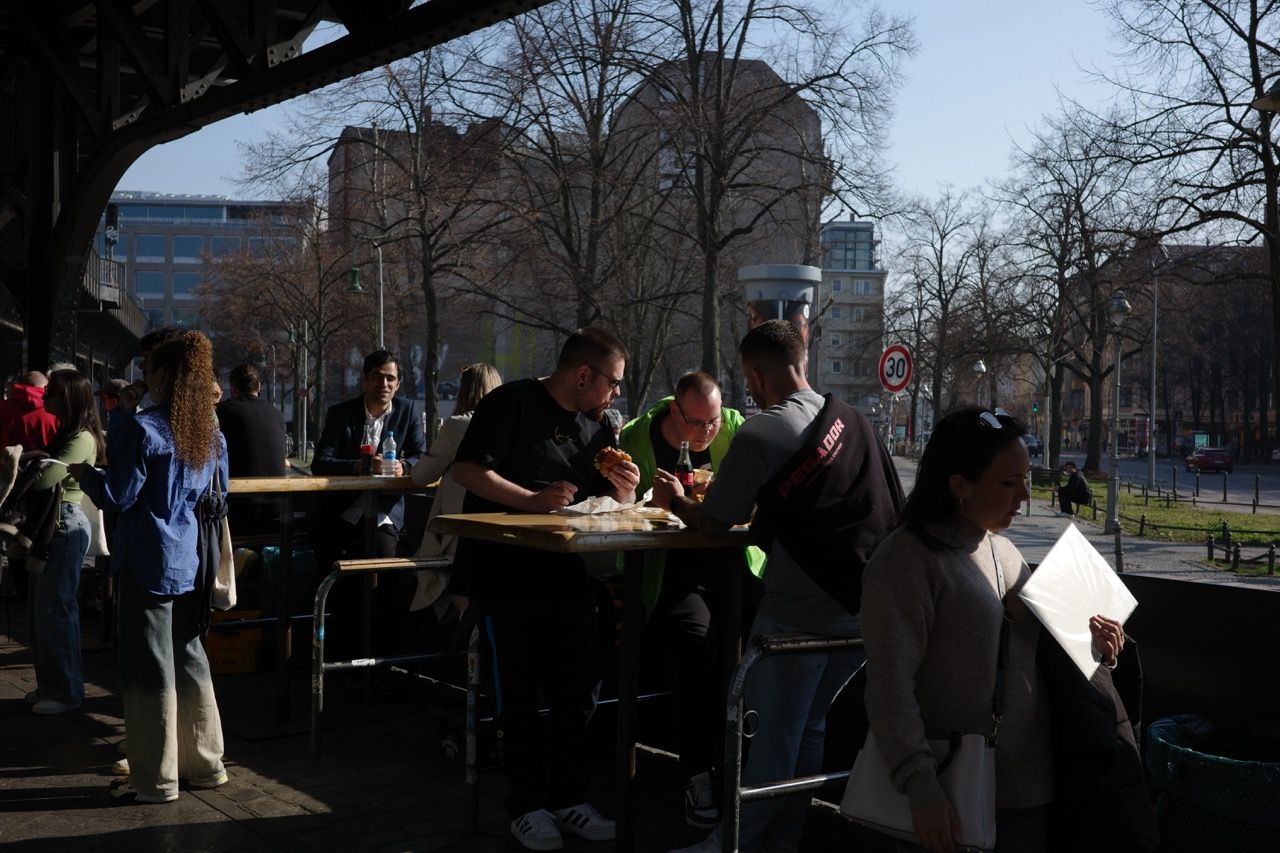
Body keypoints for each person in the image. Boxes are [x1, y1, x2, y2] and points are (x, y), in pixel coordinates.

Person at [653, 320, 904, 853]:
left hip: (797, 611)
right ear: (803, 361)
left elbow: (716, 523)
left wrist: (674, 499)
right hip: (862, 609)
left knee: (768, 739)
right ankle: (781, 840)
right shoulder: (857, 420)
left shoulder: (763, 430)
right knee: (808, 731)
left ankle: (733, 844)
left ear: (754, 375)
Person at [860, 406, 1130, 853]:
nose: (1023, 494)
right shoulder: (905, 560)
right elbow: (889, 685)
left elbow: (1039, 661)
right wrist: (920, 784)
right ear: (959, 486)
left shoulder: (1006, 553)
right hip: (949, 796)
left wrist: (1100, 649)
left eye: (1024, 478)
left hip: (1030, 793)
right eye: (1008, 483)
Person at [450, 327, 640, 851]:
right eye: (614, 383)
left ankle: (569, 797)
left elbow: (600, 497)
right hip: (504, 573)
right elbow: (466, 469)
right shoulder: (511, 402)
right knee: (517, 694)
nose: (616, 394)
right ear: (584, 374)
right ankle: (527, 805)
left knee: (579, 687)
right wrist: (528, 501)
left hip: (568, 572)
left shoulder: (598, 426)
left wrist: (625, 488)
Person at [74, 331, 230, 804]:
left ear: (161, 375)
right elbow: (219, 494)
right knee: (188, 657)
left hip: (146, 556)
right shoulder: (210, 432)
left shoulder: (145, 429)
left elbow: (118, 496)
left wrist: (85, 473)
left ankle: (157, 779)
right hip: (191, 557)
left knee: (148, 667)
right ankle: (205, 764)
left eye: (148, 371)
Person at [618, 371, 764, 830]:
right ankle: (700, 772)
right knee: (696, 648)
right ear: (674, 412)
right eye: (696, 423)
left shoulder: (739, 431)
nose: (706, 432)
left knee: (756, 655)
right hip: (671, 570)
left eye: (713, 422)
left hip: (736, 564)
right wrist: (635, 496)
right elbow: (620, 512)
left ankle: (745, 773)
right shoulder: (635, 438)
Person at [311, 350, 425, 666]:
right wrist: (360, 467)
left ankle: (390, 664)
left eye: (390, 378)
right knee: (346, 591)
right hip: (344, 515)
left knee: (394, 582)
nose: (384, 383)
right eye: (377, 376)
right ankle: (345, 665)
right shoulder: (341, 414)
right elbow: (321, 462)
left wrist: (403, 465)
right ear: (365, 379)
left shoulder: (408, 412)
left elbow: (421, 455)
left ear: (398, 383)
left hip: (385, 515)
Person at [25, 369, 105, 714]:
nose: (46, 397)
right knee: (42, 611)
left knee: (56, 609)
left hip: (64, 525)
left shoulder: (81, 438)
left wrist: (27, 463)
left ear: (69, 397)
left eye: (53, 392)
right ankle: (52, 686)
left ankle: (67, 692)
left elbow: (45, 480)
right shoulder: (70, 434)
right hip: (56, 525)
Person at [410, 362, 501, 614]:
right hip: (496, 533)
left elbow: (422, 476)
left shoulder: (458, 425)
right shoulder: (506, 425)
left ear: (465, 391)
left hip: (457, 535)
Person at [0, 370, 60, 600]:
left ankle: (20, 586)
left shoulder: (4, 409)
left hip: (8, 483)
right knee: (37, 532)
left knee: (10, 535)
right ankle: (36, 587)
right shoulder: (53, 412)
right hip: (43, 484)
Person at [216, 363, 287, 534]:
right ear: (258, 387)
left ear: (233, 388)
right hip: (278, 505)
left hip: (241, 506)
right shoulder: (276, 414)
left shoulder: (225, 411)